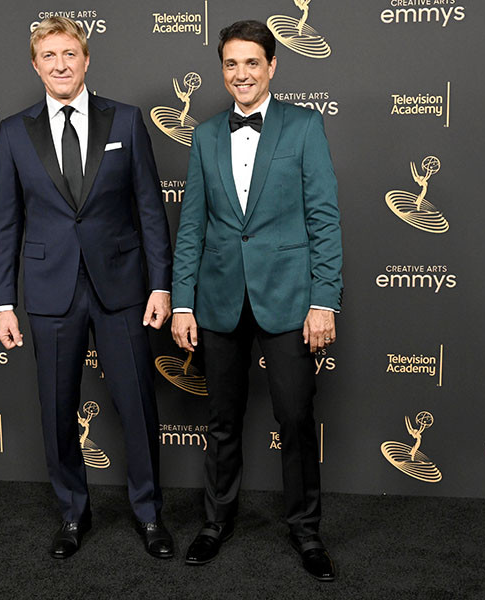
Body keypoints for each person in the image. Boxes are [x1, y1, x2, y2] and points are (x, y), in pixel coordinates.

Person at [0, 16, 174, 560]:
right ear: (34, 65)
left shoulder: (127, 120)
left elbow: (151, 212)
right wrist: (4, 301)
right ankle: (73, 513)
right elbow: (5, 225)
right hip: (50, 294)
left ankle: (149, 514)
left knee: (138, 407)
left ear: (87, 59)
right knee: (55, 407)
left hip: (121, 289)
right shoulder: (12, 132)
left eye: (70, 53)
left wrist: (160, 287)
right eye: (49, 56)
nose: (61, 65)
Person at [171, 20, 343, 581]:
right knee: (222, 419)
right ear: (221, 70)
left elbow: (324, 219)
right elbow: (192, 225)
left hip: (290, 299)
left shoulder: (304, 126)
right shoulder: (204, 134)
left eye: (251, 63)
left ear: (272, 66)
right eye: (230, 64)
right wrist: (181, 302)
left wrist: (324, 301)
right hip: (219, 298)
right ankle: (215, 522)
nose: (240, 74)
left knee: (295, 418)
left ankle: (306, 531)